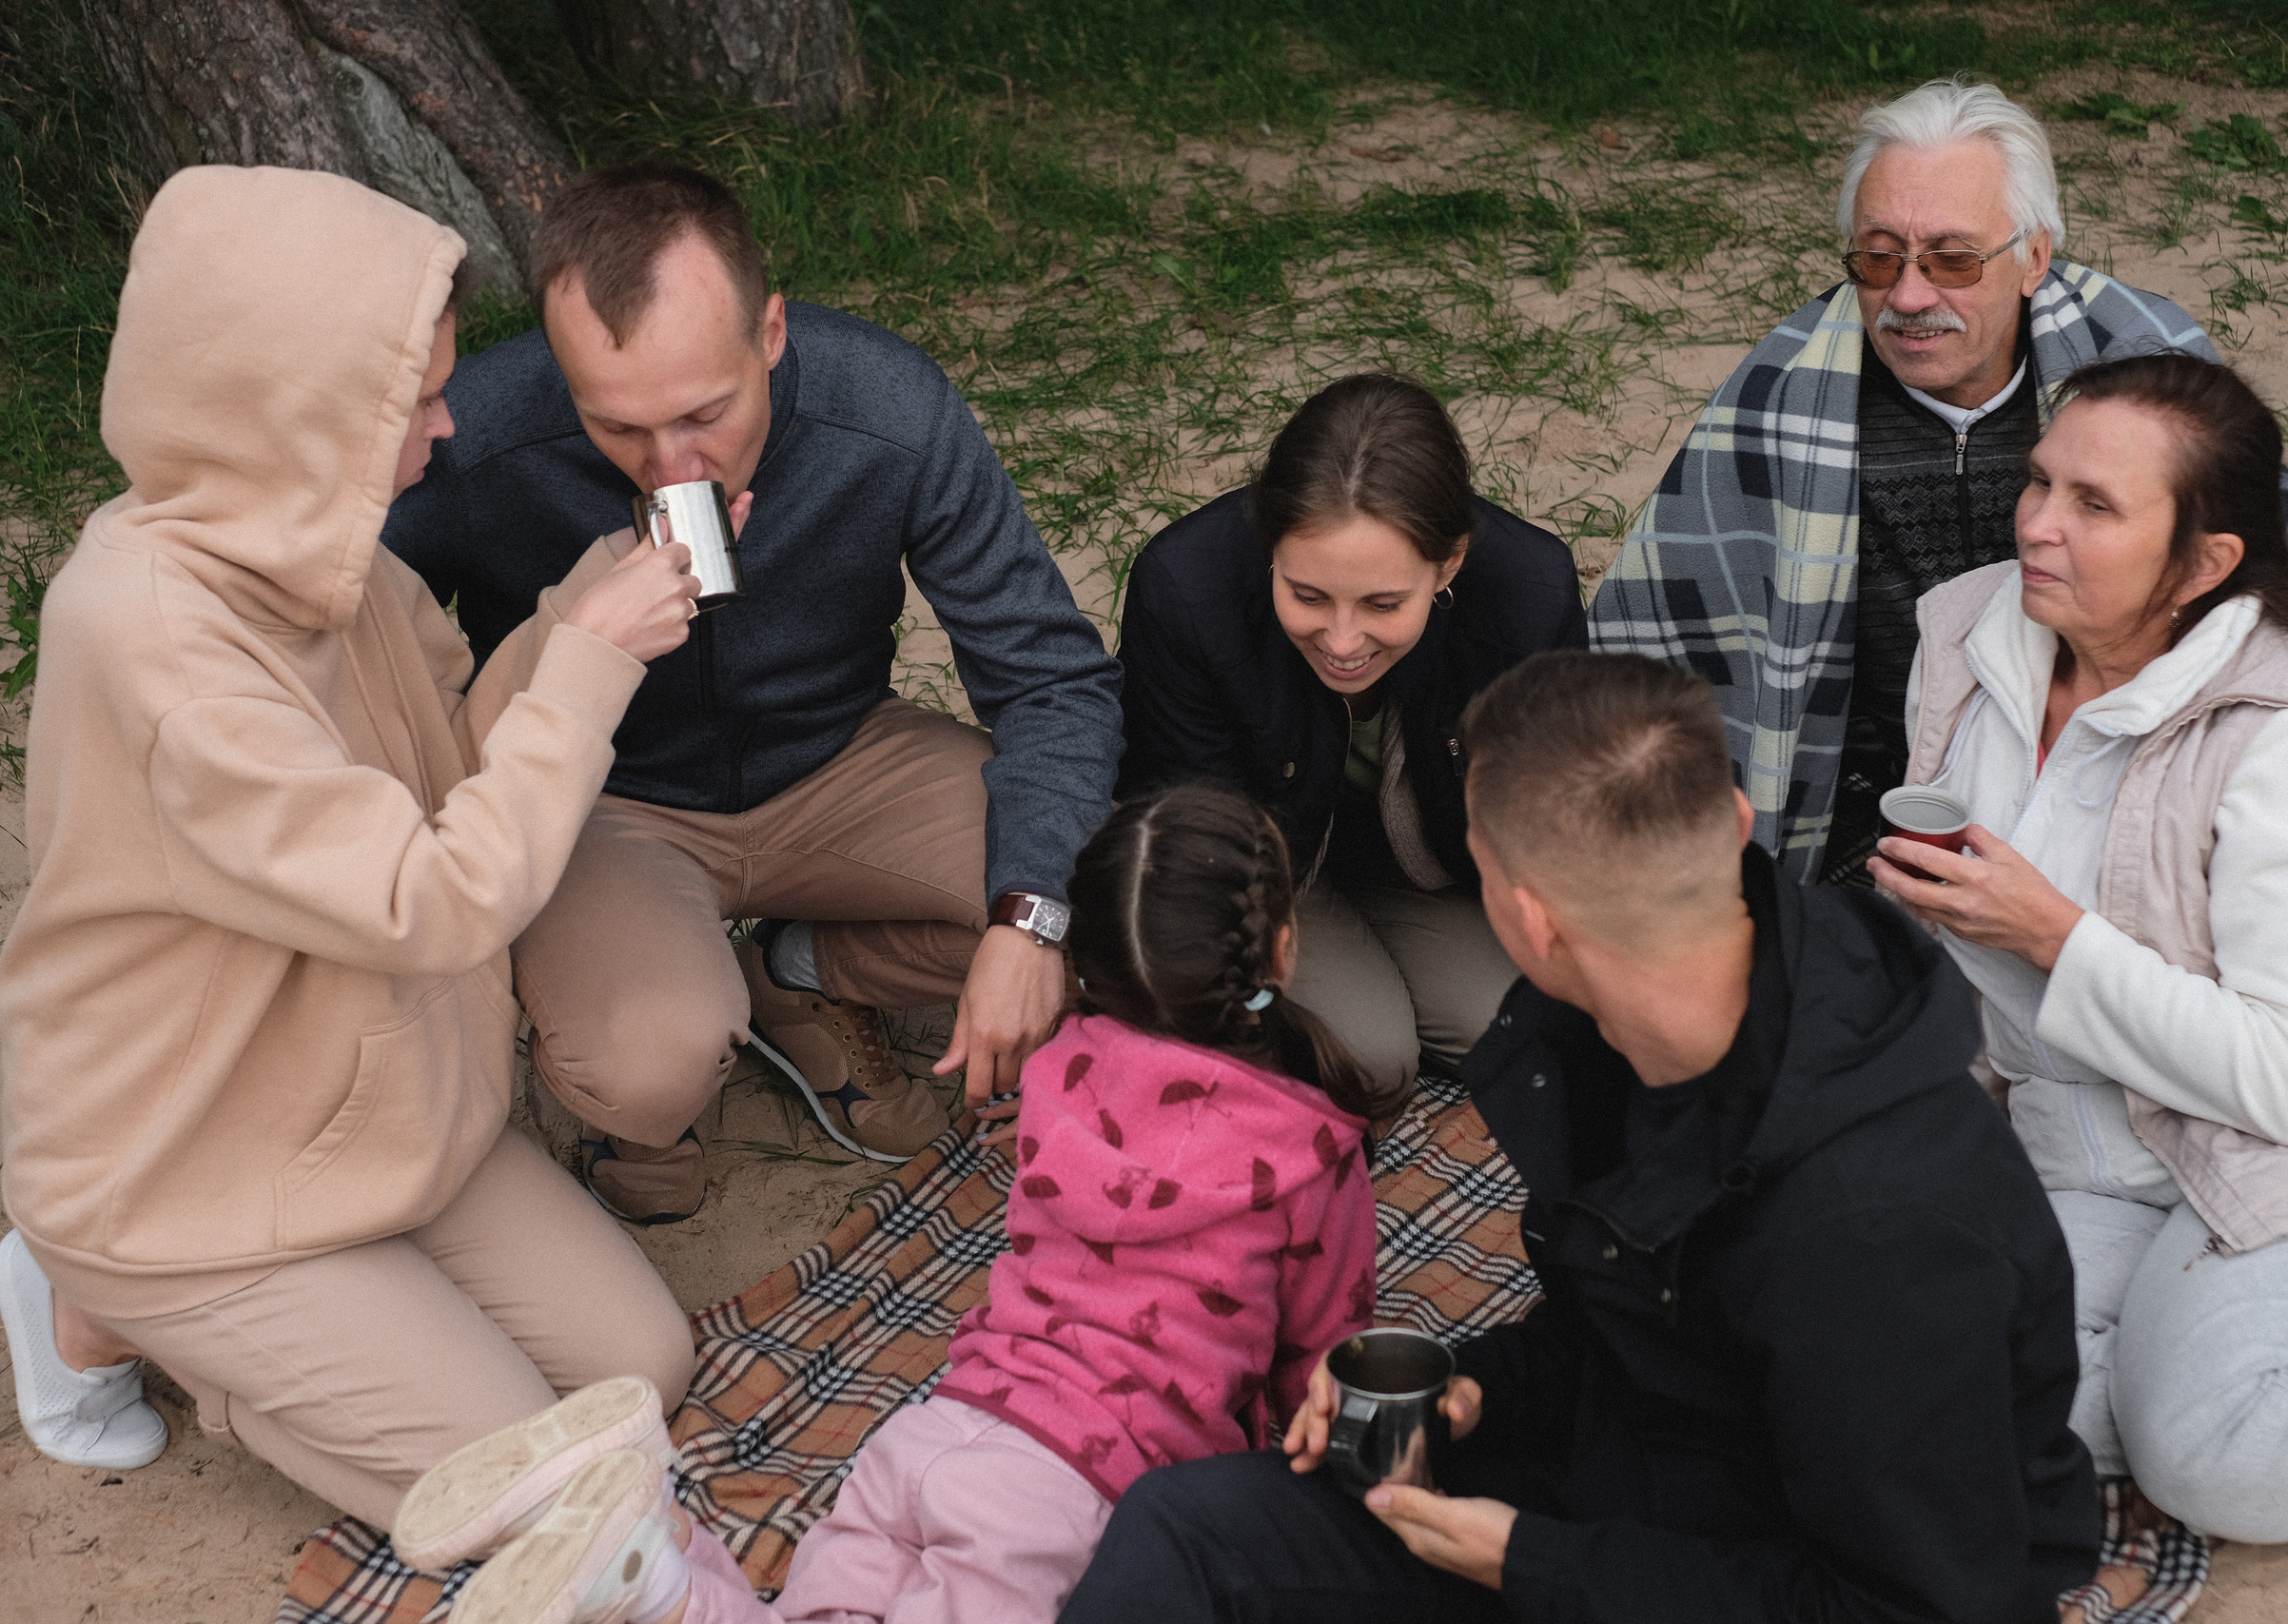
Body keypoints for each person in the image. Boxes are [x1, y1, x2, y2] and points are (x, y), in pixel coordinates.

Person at [1056, 651, 2100, 1623]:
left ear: (1528, 922)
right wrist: (1473, 1389)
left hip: (1787, 1575)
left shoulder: (1874, 1236)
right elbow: (1645, 1319)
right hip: (1627, 1478)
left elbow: (1915, 1604)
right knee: (1186, 1531)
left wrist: (1533, 1566)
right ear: (1732, 818)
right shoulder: (1626, 1033)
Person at [0, 166, 698, 1517]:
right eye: (411, 400)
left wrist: (569, 626)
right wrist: (590, 675)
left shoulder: (323, 554)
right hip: (189, 1165)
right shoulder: (157, 643)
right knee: (556, 1486)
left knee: (641, 1363)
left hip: (372, 1111)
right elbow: (433, 898)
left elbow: (451, 765)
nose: (445, 427)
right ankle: (102, 1294)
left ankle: (304, 1314)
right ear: (293, 411)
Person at [389, 782, 1385, 1624]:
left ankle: (653, 1570)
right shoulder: (1309, 1154)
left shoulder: (1063, 1070)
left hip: (940, 1427)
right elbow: (1324, 1364)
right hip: (1073, 1491)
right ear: (1281, 950)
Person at [382, 163, 1125, 1222]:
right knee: (650, 1063)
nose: (667, 465)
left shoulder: (887, 405)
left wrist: (1030, 919)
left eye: (703, 413)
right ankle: (638, 1081)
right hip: (606, 803)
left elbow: (1052, 677)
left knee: (1103, 895)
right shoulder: (476, 435)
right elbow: (360, 660)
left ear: (770, 333)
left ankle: (806, 967)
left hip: (840, 758)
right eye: (618, 427)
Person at [1876, 354, 2288, 1544]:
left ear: (2203, 563)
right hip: (2091, 1153)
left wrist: (2051, 936)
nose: (2036, 524)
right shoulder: (1976, 633)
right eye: (2038, 483)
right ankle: (2200, 1351)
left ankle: (2248, 1354)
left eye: (2093, 505)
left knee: (2211, 1449)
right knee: (1905, 1377)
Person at [1586, 77, 2288, 886]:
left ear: (2034, 257)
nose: (1908, 296)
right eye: (1877, 257)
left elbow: (2277, 587)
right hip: (1872, 799)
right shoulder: (1780, 395)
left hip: (2123, 769)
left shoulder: (2151, 369)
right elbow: (1663, 640)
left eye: (1953, 259)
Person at [1119, 374, 1585, 1095]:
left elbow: (1555, 801)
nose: (1342, 640)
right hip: (1268, 878)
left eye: (1383, 602)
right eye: (1307, 595)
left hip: (1431, 864)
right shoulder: (1184, 589)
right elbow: (1183, 837)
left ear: (1449, 562)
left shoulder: (1532, 591)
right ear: (1269, 543)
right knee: (1371, 1058)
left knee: (1526, 1025)